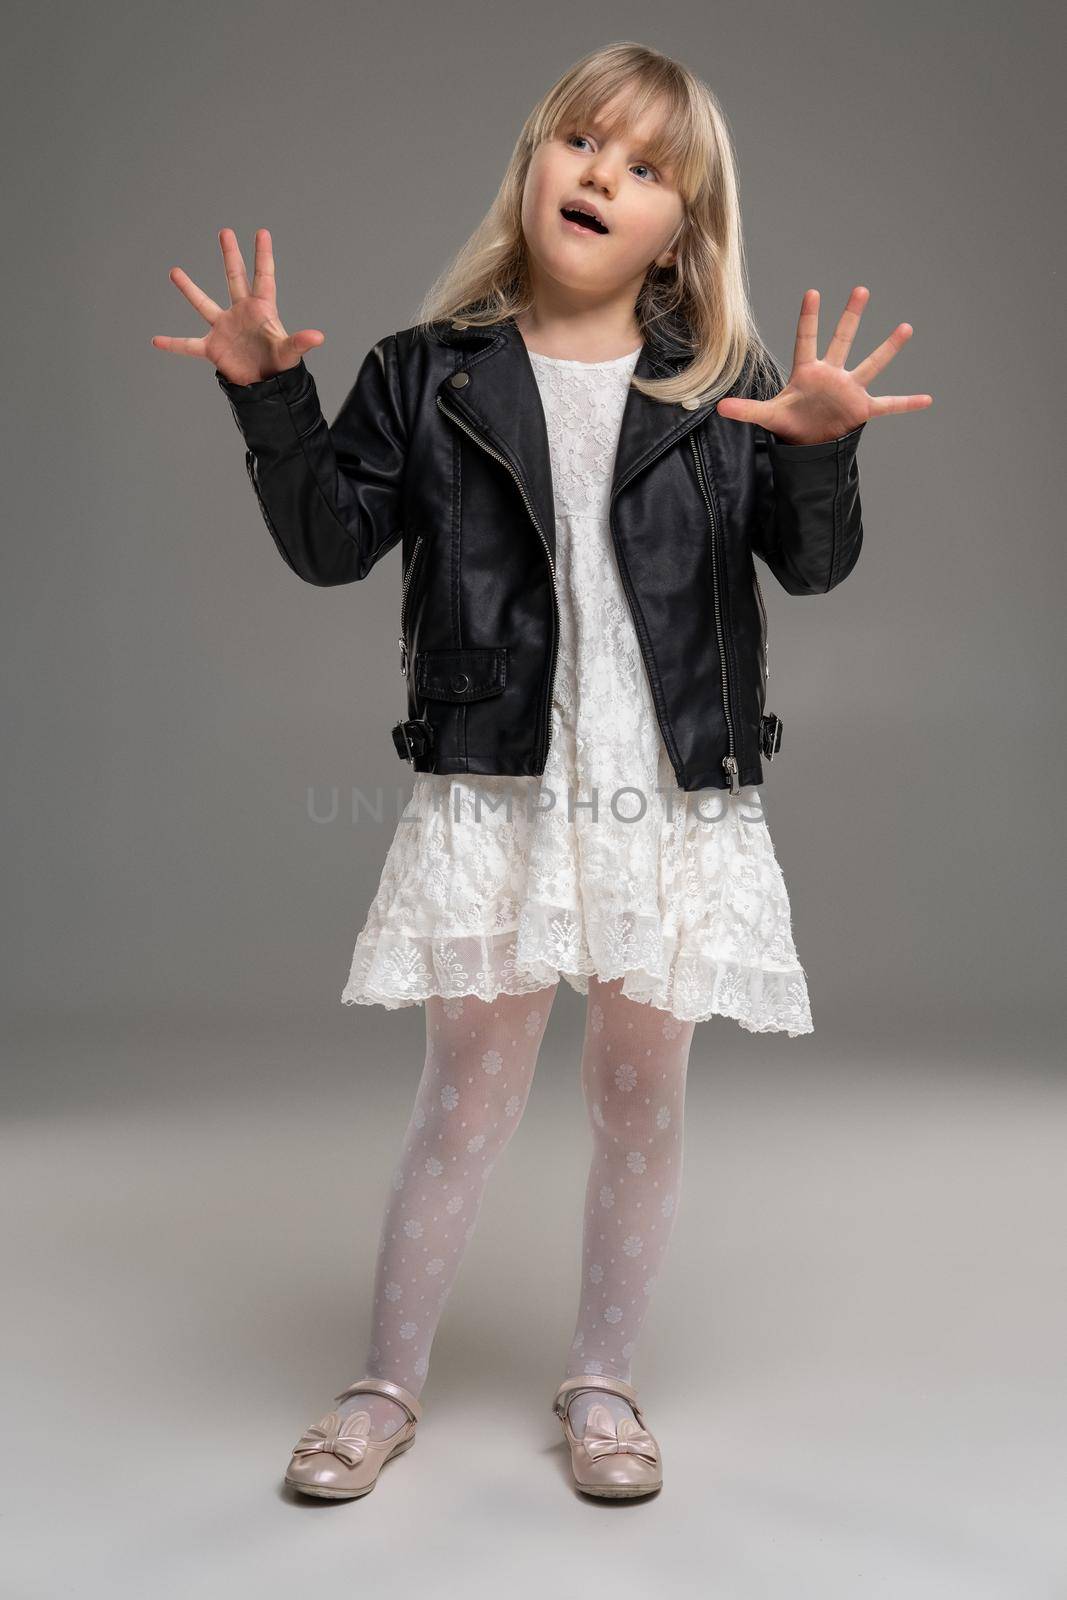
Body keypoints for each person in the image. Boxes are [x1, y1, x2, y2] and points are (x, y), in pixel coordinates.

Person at [152, 40, 929, 1502]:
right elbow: (330, 545)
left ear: (681, 229)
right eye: (583, 143)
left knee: (644, 1100)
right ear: (532, 164)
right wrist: (268, 400)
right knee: (466, 1099)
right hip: (502, 786)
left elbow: (812, 572)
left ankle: (606, 1386)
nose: (603, 177)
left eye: (646, 170)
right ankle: (383, 1386)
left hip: (669, 791)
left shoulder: (722, 385)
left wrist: (822, 452)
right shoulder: (425, 373)